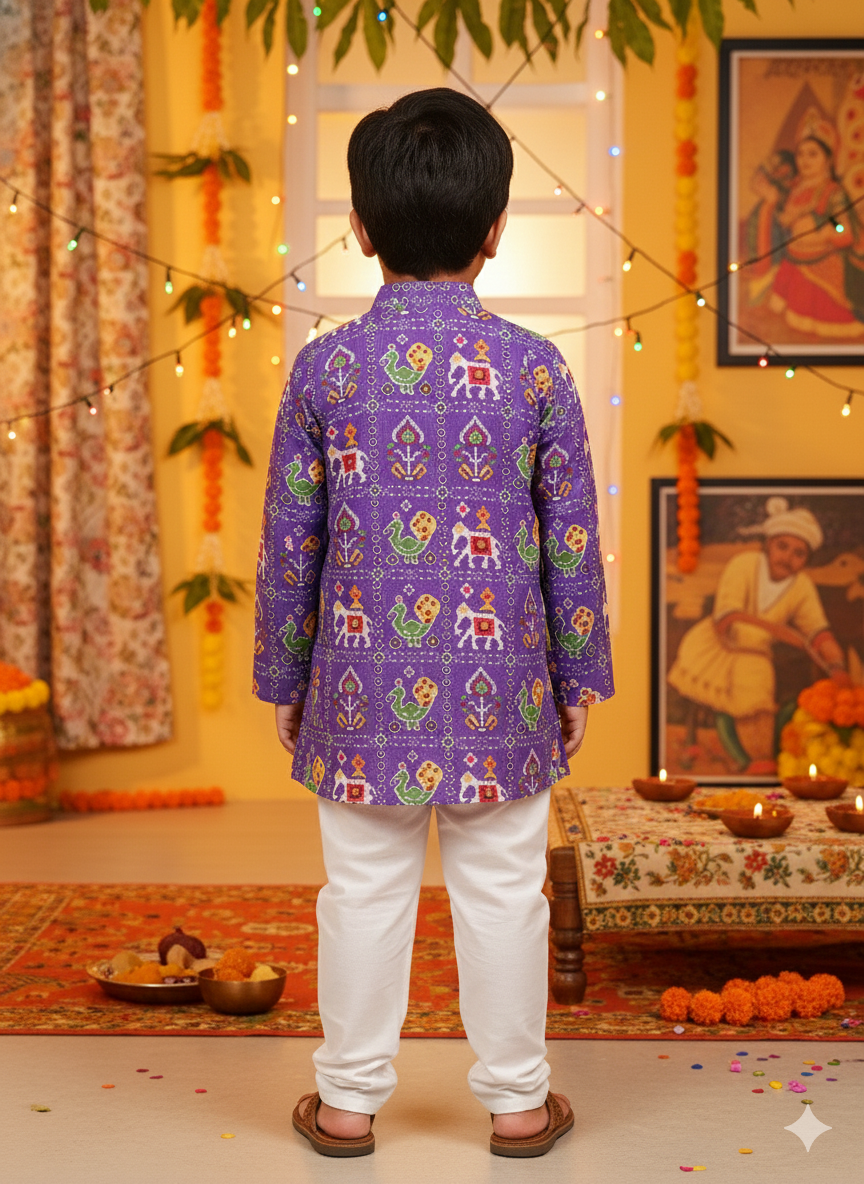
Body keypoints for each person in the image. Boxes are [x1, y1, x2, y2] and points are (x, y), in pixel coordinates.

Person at [254, 87, 613, 1159]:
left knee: (362, 891)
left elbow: (290, 541)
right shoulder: (537, 368)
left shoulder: (324, 368)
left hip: (361, 687)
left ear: (361, 229)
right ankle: (517, 1105)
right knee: (505, 890)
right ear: (496, 228)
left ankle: (348, 1104)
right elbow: (571, 539)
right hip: (502, 691)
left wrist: (287, 678)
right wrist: (578, 672)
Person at [668, 497, 848, 776]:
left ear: (806, 560)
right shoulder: (744, 564)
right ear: (768, 544)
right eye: (782, 546)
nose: (788, 557)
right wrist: (783, 633)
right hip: (715, 646)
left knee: (756, 679)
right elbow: (729, 619)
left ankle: (757, 758)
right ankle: (746, 755)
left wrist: (837, 666)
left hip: (755, 653)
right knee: (746, 678)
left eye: (799, 553)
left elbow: (818, 631)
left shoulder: (801, 586)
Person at [745, 109, 864, 338]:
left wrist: (822, 228)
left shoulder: (833, 192)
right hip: (793, 263)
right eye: (800, 154)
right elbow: (784, 223)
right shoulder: (795, 188)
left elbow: (845, 230)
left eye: (813, 154)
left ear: (828, 159)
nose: (804, 160)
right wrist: (774, 205)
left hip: (824, 265)